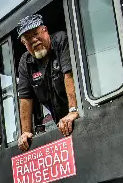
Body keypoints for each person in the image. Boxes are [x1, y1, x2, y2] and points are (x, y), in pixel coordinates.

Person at [15, 13, 79, 151]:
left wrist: (73, 111)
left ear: (45, 30)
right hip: (59, 122)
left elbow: (69, 75)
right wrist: (25, 131)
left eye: (36, 33)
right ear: (23, 42)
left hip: (77, 115)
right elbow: (25, 98)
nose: (34, 40)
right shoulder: (25, 62)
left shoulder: (60, 40)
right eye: (28, 38)